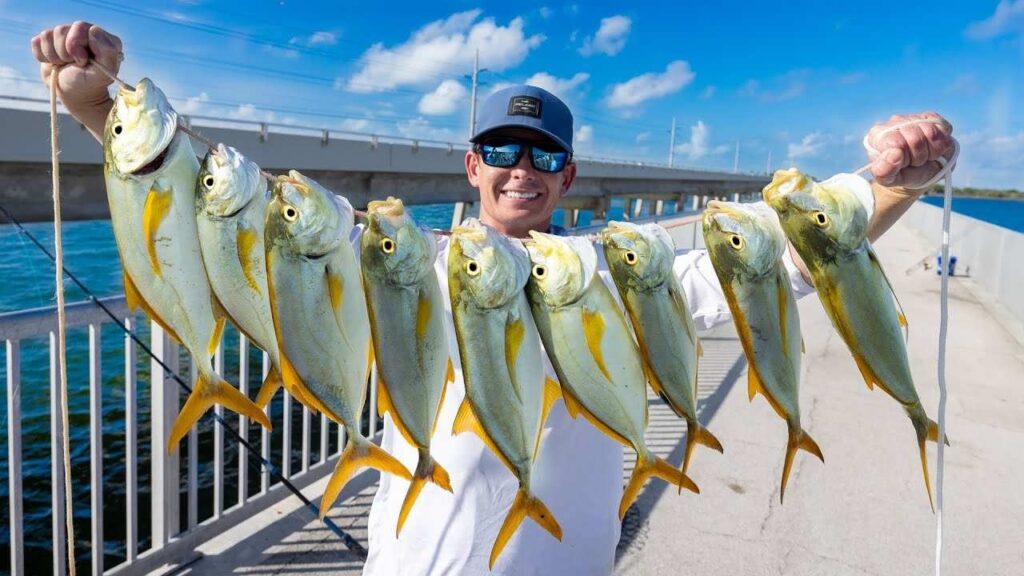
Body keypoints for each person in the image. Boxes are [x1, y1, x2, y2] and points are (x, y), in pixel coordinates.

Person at [32, 22, 955, 576]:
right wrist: (90, 97)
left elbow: (792, 254)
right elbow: (226, 204)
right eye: (504, 152)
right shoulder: (407, 260)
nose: (524, 169)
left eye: (544, 156)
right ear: (472, 166)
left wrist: (900, 178)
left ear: (569, 177)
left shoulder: (619, 277)